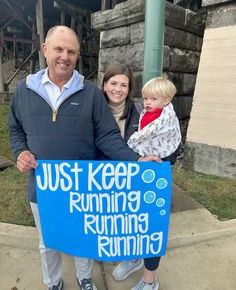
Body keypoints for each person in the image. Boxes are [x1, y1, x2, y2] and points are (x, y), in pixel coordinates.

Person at [8, 25, 160, 290]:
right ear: (45, 50)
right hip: (43, 185)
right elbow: (15, 128)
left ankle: (85, 278)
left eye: (71, 51)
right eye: (58, 49)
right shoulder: (24, 90)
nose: (64, 56)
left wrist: (136, 160)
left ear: (77, 56)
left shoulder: (90, 93)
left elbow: (107, 136)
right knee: (49, 240)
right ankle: (53, 282)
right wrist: (21, 151)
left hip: (82, 185)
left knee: (83, 236)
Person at [102, 68, 180, 290]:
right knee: (130, 223)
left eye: (123, 85)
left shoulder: (145, 114)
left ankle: (149, 280)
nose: (118, 89)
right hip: (123, 180)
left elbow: (170, 146)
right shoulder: (96, 110)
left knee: (151, 226)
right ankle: (133, 257)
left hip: (150, 179)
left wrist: (158, 159)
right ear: (105, 84)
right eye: (113, 83)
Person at [125, 76, 181, 290]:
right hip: (138, 171)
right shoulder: (147, 113)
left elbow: (159, 137)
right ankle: (133, 258)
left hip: (156, 171)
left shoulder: (163, 117)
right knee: (132, 216)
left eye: (153, 98)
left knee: (152, 221)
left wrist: (135, 143)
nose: (146, 102)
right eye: (145, 97)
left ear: (166, 100)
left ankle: (150, 280)